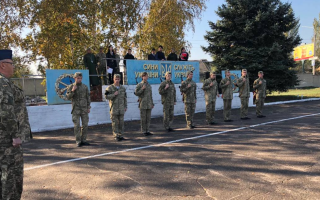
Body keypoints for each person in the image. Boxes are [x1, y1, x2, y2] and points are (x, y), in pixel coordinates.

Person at [0, 49, 27, 199]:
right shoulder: (3, 83)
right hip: (7, 142)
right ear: (3, 65)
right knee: (11, 180)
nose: (13, 66)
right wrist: (15, 135)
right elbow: (5, 111)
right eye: (11, 63)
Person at [66, 72, 91, 147]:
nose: (79, 79)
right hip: (76, 109)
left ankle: (84, 140)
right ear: (74, 78)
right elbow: (68, 97)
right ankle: (78, 141)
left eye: (80, 78)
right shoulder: (71, 87)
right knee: (77, 126)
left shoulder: (85, 87)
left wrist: (88, 107)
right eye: (77, 78)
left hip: (84, 109)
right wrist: (73, 90)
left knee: (85, 125)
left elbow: (88, 98)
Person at [105, 74, 127, 141]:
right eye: (116, 79)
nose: (117, 80)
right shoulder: (110, 88)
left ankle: (121, 135)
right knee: (115, 123)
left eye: (118, 79)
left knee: (121, 122)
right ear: (113, 79)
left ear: (120, 79)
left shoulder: (122, 88)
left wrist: (125, 106)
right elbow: (106, 96)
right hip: (114, 108)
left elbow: (125, 98)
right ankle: (116, 135)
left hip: (121, 108)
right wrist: (113, 94)